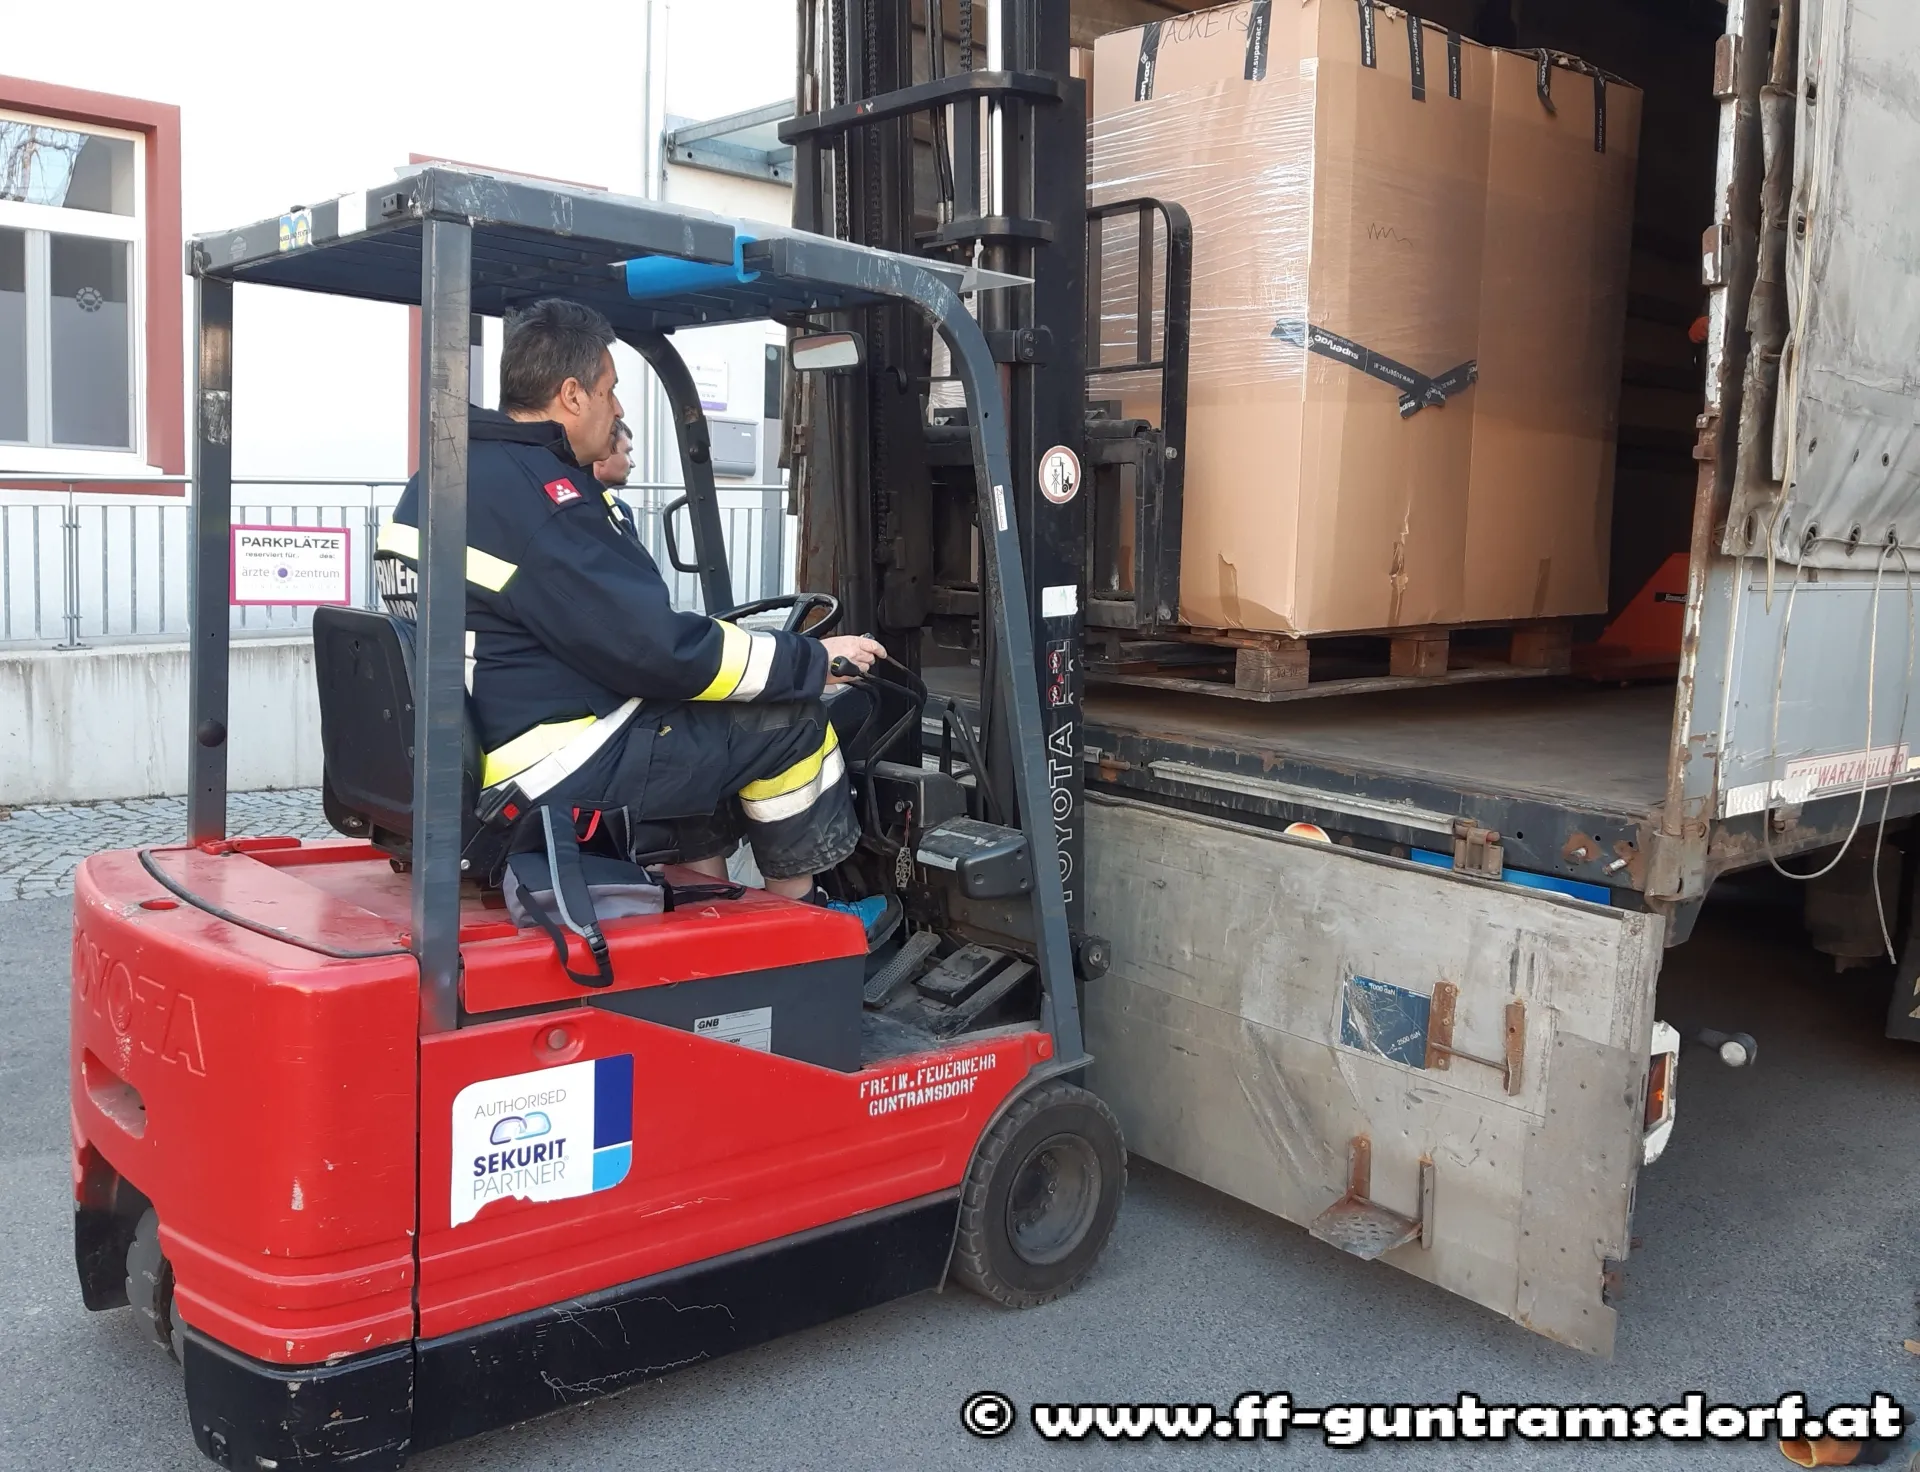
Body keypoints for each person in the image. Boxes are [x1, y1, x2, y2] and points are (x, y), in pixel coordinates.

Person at [380, 298, 887, 930]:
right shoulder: (544, 502)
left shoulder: (446, 477)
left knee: (693, 721)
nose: (618, 408)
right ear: (572, 395)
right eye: (610, 390)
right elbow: (656, 650)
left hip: (487, 742)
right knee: (789, 722)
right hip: (547, 766)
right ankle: (806, 922)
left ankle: (711, 900)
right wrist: (810, 660)